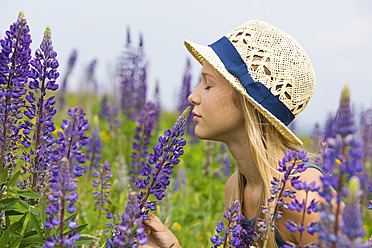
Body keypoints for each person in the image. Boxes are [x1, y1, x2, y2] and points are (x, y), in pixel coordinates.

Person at [141, 20, 324, 248]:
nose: (192, 96)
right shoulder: (236, 188)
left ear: (246, 102)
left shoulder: (304, 192)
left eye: (208, 85)